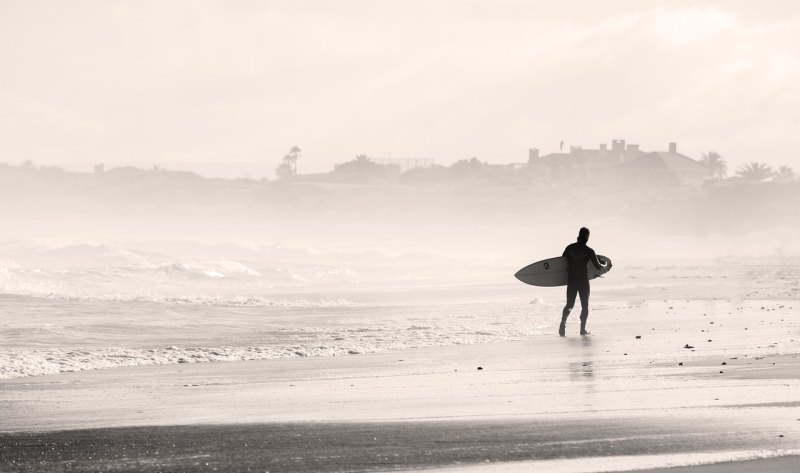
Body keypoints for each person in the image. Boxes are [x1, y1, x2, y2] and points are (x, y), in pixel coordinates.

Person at [560, 227, 610, 336]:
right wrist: (606, 265)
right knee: (585, 306)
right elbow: (598, 266)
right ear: (587, 237)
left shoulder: (569, 248)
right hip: (583, 280)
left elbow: (561, 262)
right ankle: (582, 330)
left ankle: (562, 324)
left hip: (572, 279)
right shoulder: (589, 251)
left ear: (578, 235)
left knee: (569, 304)